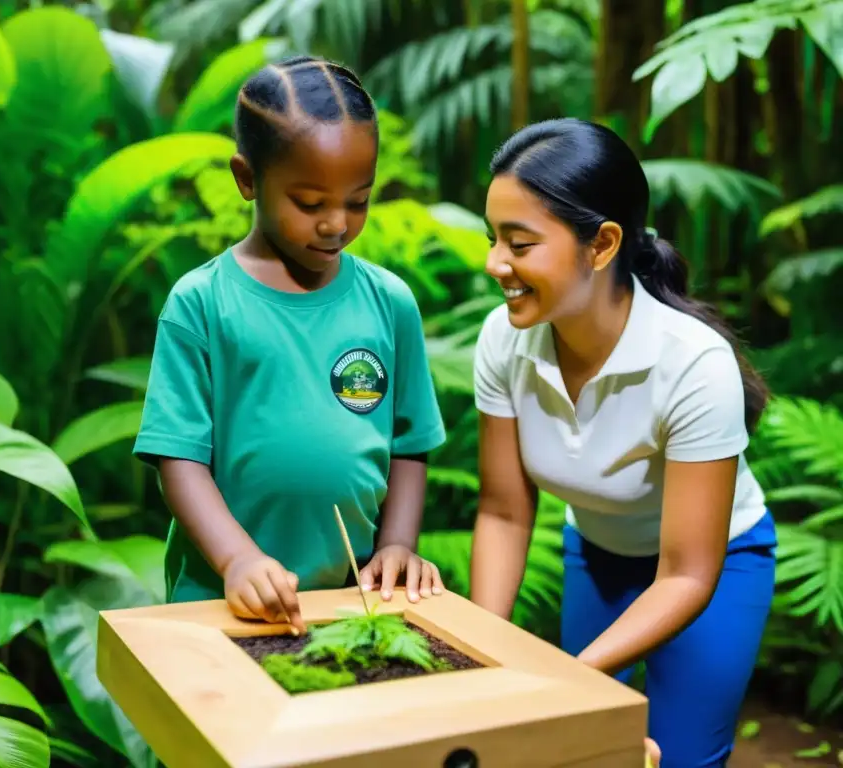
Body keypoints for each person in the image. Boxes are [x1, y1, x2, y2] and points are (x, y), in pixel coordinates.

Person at [469, 118, 776, 768]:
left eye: (519, 243)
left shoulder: (693, 363)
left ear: (602, 243)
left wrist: (571, 676)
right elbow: (502, 510)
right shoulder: (504, 339)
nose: (495, 263)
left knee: (680, 757)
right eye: (493, 238)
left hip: (713, 567)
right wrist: (480, 651)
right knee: (584, 752)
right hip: (600, 554)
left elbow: (689, 571)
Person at [133, 55, 447, 636]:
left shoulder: (390, 302)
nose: (336, 223)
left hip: (356, 607)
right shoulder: (201, 302)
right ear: (248, 178)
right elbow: (178, 460)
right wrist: (237, 560)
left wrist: (399, 544)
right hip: (223, 604)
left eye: (358, 200)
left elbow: (409, 444)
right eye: (310, 203)